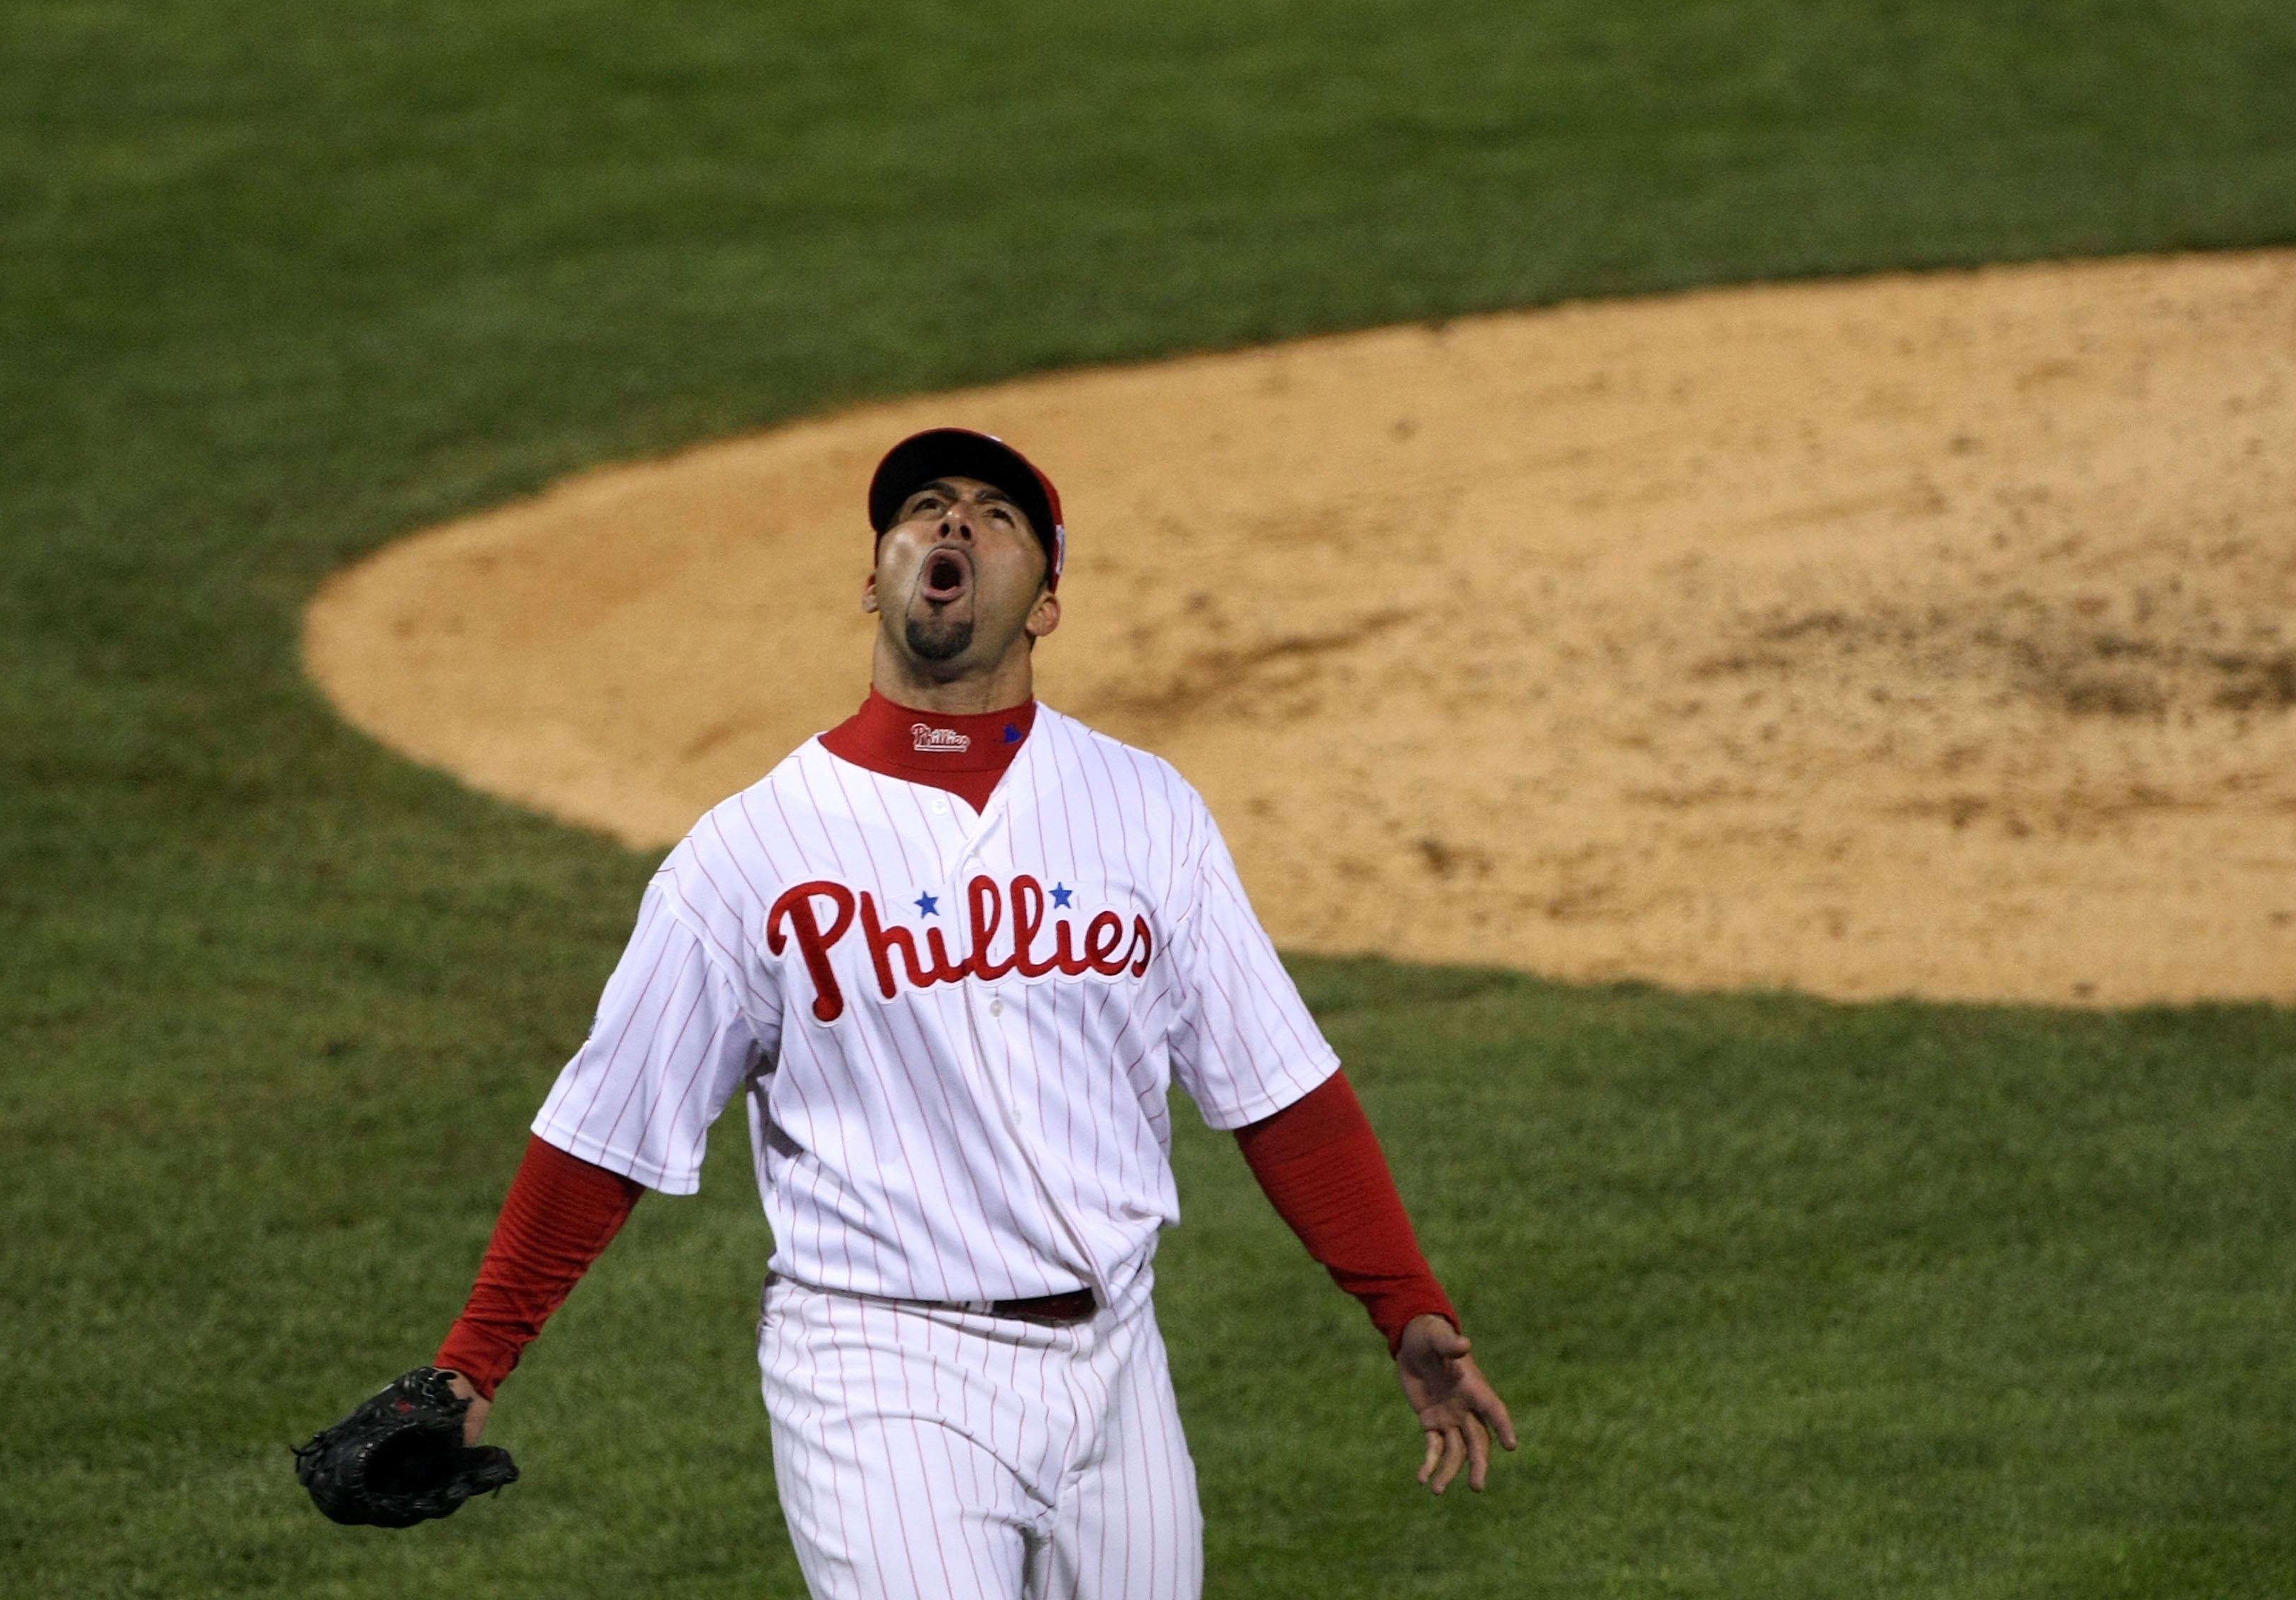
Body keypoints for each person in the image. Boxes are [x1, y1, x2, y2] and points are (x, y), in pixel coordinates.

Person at [432, 428, 1513, 1597]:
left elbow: (1280, 1091)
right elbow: (608, 1126)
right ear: (875, 577)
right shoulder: (746, 854)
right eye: (925, 509)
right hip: (881, 1365)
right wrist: (470, 1366)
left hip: (1118, 1359)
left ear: (1046, 603)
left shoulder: (1147, 811)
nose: (953, 524)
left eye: (997, 516)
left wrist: (1404, 1303)